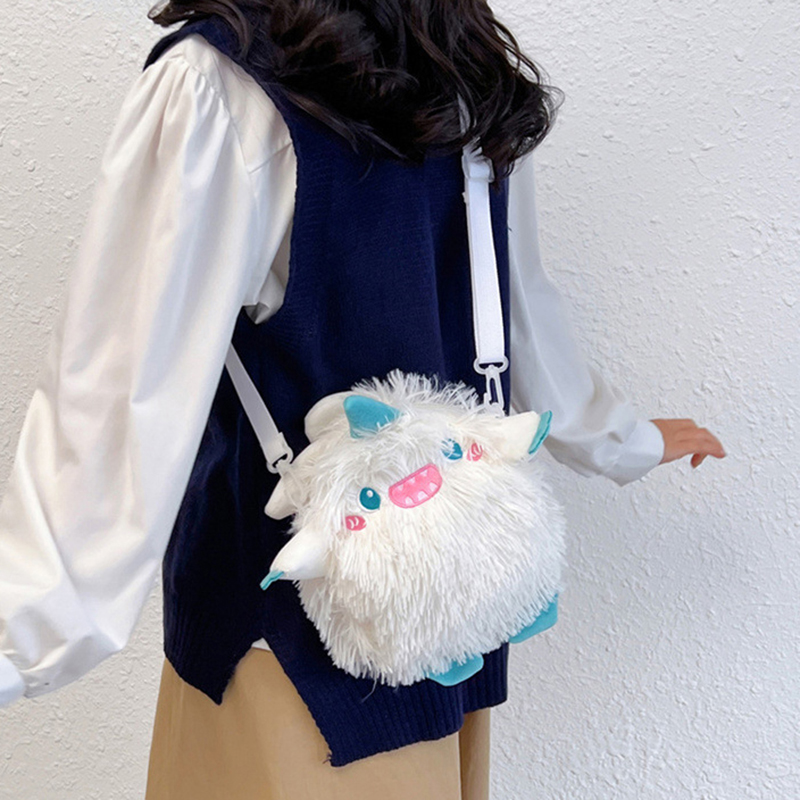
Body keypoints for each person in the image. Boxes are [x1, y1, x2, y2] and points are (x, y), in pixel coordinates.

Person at [0, 3, 726, 798]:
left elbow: (118, 398)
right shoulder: (464, 70)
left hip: (296, 649)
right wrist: (614, 438)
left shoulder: (222, 85)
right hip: (438, 616)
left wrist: (20, 638)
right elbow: (517, 314)